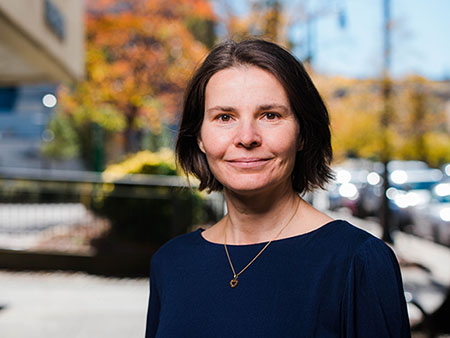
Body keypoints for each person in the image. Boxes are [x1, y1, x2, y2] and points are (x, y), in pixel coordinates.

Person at [145, 38, 410, 338]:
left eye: (270, 115)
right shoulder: (170, 264)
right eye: (224, 117)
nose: (246, 137)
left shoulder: (358, 262)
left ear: (302, 134)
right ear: (200, 138)